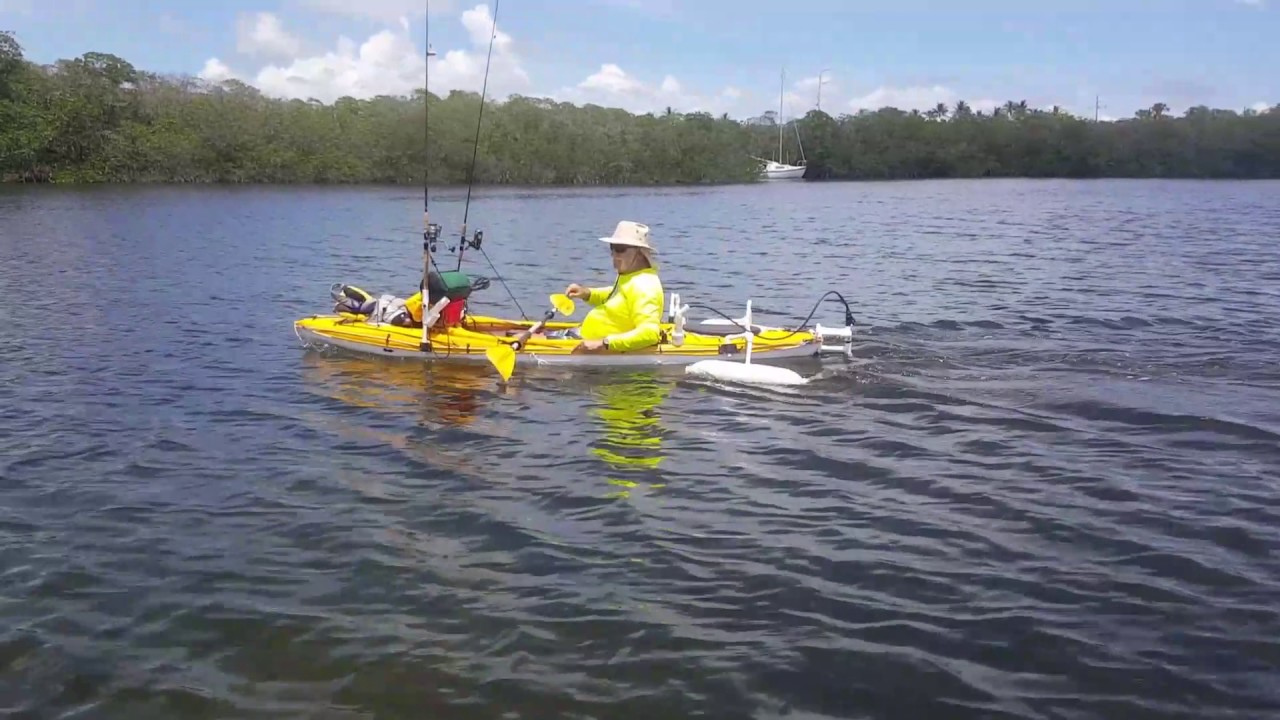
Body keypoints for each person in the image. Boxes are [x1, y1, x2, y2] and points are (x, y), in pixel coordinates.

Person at [561, 220, 665, 354]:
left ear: (639, 253)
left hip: (598, 350)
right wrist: (587, 293)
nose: (614, 255)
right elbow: (617, 296)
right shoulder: (630, 276)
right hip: (580, 337)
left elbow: (649, 334)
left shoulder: (645, 286)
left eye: (620, 249)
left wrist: (604, 343)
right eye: (612, 248)